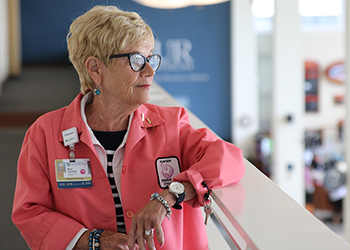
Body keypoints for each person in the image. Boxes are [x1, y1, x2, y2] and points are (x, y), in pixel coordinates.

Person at [12, 5, 245, 250]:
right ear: (95, 68)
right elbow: (30, 213)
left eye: (151, 58)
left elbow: (230, 159)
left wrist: (171, 194)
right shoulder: (45, 133)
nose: (150, 70)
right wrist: (93, 240)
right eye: (136, 60)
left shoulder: (172, 123)